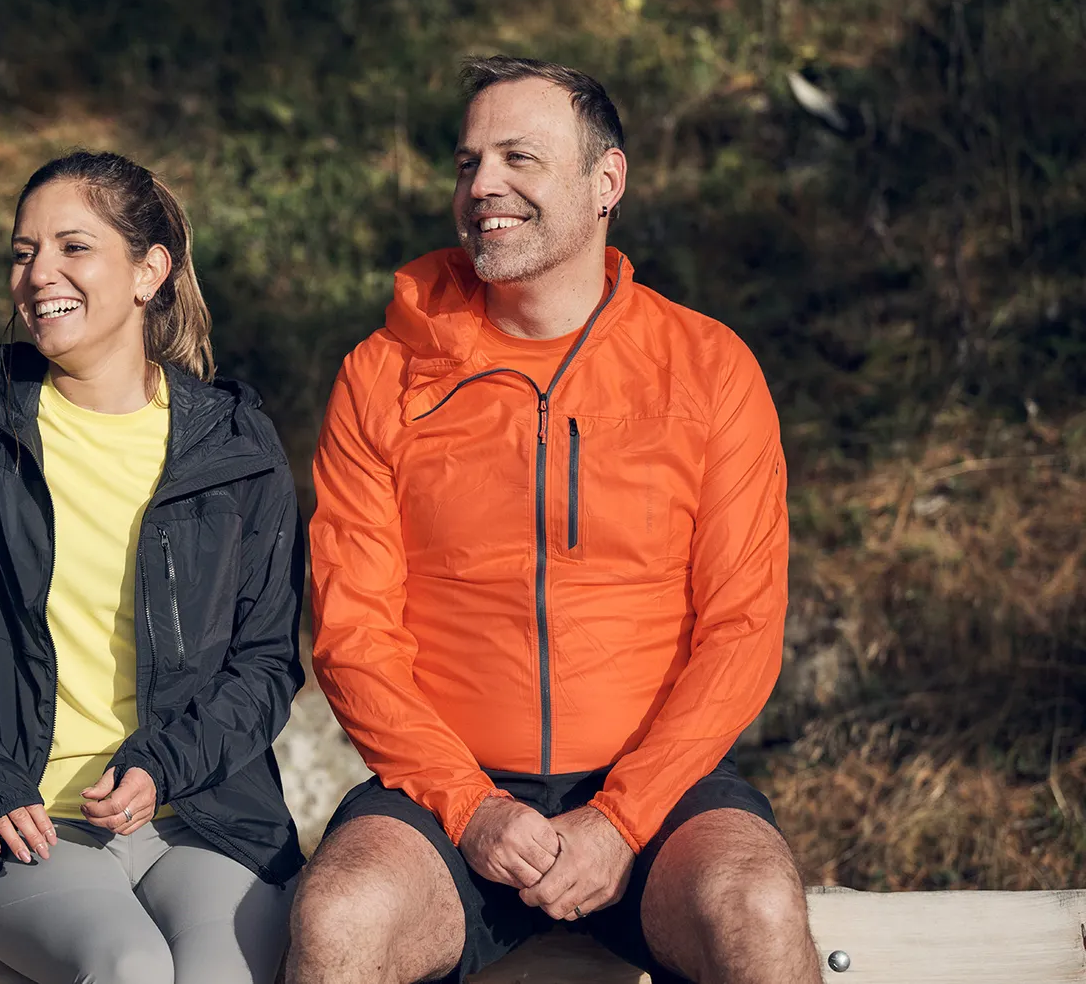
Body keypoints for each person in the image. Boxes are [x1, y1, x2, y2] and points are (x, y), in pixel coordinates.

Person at [290, 57, 820, 984]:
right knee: (341, 917)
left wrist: (622, 817)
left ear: (605, 180)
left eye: (517, 158)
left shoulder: (708, 368)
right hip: (449, 797)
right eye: (467, 163)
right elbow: (351, 634)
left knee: (757, 906)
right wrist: (469, 808)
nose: (482, 185)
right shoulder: (384, 375)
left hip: (658, 797)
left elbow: (741, 630)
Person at [0, 151, 306, 984]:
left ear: (150, 273)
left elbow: (266, 663)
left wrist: (159, 766)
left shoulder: (235, 443)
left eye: (73, 248)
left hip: (207, 819)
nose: (39, 275)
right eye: (23, 251)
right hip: (30, 825)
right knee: (131, 967)